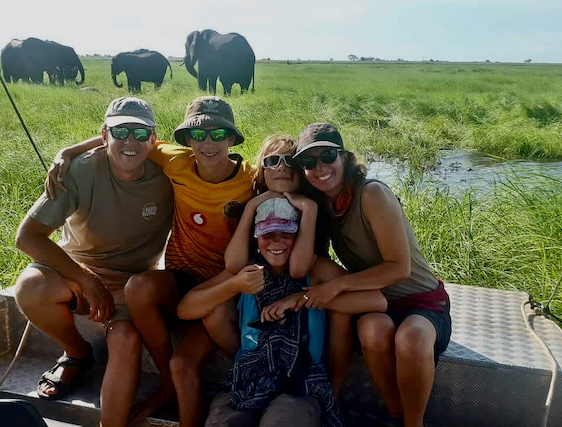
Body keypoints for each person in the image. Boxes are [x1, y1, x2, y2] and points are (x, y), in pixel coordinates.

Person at [46, 96, 255, 427]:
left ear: (233, 139)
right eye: (198, 136)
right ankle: (164, 377)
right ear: (186, 141)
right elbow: (125, 136)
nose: (208, 144)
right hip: (180, 279)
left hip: (224, 290)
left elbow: (286, 176)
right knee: (139, 287)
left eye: (218, 135)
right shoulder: (175, 160)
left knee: (184, 368)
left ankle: (176, 384)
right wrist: (68, 153)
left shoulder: (251, 179)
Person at [14, 97, 174, 427]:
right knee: (30, 287)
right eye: (120, 131)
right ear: (104, 135)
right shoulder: (78, 170)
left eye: (141, 133)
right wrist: (86, 279)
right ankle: (78, 352)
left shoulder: (169, 172)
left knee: (127, 340)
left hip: (131, 282)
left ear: (154, 139)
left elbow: (210, 159)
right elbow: (27, 237)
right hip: (75, 269)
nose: (131, 141)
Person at [293, 123, 452, 427]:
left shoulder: (372, 193)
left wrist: (336, 287)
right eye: (309, 162)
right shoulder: (323, 205)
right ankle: (393, 415)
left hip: (422, 302)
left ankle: (413, 423)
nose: (320, 168)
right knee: (371, 331)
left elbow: (399, 268)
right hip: (375, 301)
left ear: (344, 157)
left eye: (327, 156)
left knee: (411, 338)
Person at [178, 196, 387, 427]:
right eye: (268, 235)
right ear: (256, 238)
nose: (276, 243)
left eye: (286, 234)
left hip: (302, 384)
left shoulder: (315, 269)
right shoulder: (248, 268)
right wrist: (233, 285)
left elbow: (376, 300)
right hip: (249, 380)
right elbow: (185, 309)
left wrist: (304, 298)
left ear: (300, 237)